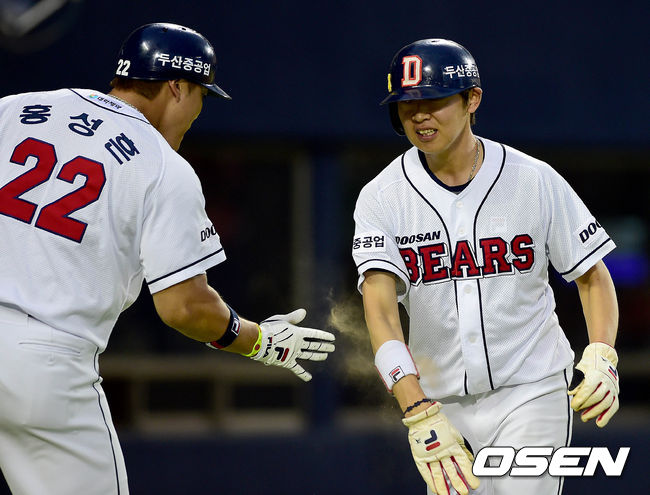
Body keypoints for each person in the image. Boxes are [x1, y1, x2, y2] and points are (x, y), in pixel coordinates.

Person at [0, 22, 335, 495]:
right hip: (44, 362)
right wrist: (259, 341)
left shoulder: (16, 108)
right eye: (201, 95)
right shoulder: (161, 165)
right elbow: (185, 307)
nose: (198, 111)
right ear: (177, 86)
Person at [352, 39, 619, 495]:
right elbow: (380, 313)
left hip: (531, 388)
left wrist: (602, 353)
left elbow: (592, 275)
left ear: (472, 99)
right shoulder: (382, 197)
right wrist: (415, 408)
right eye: (407, 104)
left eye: (434, 101)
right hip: (439, 400)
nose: (419, 116)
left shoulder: (533, 178)